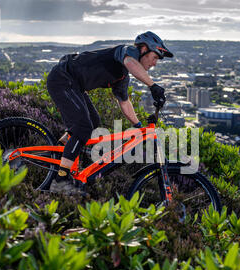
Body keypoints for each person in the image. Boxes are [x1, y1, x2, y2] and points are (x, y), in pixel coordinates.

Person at [46, 31, 174, 194]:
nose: (155, 63)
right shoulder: (125, 51)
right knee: (83, 127)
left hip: (74, 85)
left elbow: (124, 102)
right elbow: (130, 62)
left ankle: (60, 150)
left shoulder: (122, 76)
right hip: (63, 79)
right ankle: (61, 181)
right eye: (155, 57)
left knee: (93, 121)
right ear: (143, 49)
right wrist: (152, 85)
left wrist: (138, 126)